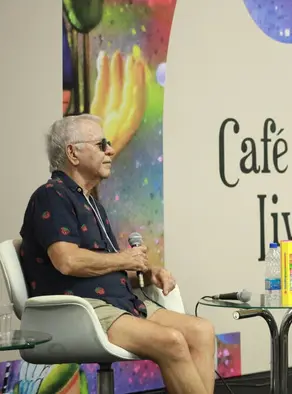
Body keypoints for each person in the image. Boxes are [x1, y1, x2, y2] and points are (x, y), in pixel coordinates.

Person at [19, 114, 215, 394]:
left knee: (202, 331)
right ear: (73, 153)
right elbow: (67, 260)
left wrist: (145, 274)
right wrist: (125, 259)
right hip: (82, 309)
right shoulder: (51, 195)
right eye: (102, 144)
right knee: (172, 341)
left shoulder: (91, 201)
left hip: (120, 302)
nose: (110, 150)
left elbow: (102, 267)